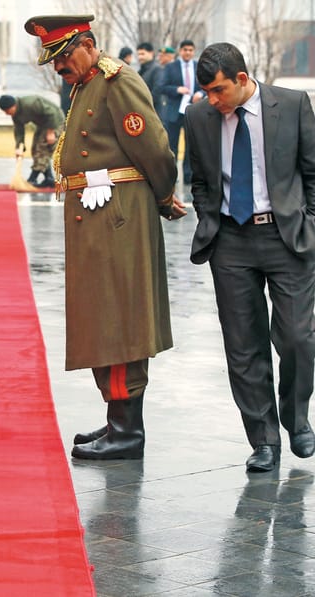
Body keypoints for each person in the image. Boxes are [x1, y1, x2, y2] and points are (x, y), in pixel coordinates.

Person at [24, 14, 185, 460]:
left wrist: (164, 195)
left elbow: (153, 147)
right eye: (52, 61)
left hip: (117, 218)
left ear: (88, 44)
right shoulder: (85, 84)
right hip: (96, 219)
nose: (58, 68)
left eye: (62, 57)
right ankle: (118, 420)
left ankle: (128, 432)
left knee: (118, 321)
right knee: (100, 318)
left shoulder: (117, 81)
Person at [185, 42, 315, 473]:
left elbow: (312, 173)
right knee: (243, 346)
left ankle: (297, 420)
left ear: (242, 79)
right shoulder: (200, 116)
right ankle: (263, 440)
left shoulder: (293, 105)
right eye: (206, 92)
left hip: (286, 237)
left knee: (298, 338)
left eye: (219, 90)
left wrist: (308, 224)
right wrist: (211, 220)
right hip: (231, 241)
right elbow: (200, 181)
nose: (213, 100)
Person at [161, 39, 205, 184]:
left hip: (192, 110)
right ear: (180, 51)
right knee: (172, 145)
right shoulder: (170, 67)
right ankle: (172, 175)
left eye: (190, 50)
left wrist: (201, 93)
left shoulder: (198, 66)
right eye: (185, 50)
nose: (188, 52)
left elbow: (206, 85)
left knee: (190, 145)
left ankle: (188, 175)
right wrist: (177, 89)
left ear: (194, 51)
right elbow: (162, 87)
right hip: (174, 112)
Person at [0, 94, 64, 188]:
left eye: (7, 110)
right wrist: (19, 147)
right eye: (4, 111)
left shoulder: (31, 104)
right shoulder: (15, 115)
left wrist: (51, 132)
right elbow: (19, 131)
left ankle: (32, 179)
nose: (6, 113)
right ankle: (49, 178)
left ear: (14, 105)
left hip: (55, 122)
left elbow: (52, 113)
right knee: (35, 150)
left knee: (42, 150)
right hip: (42, 125)